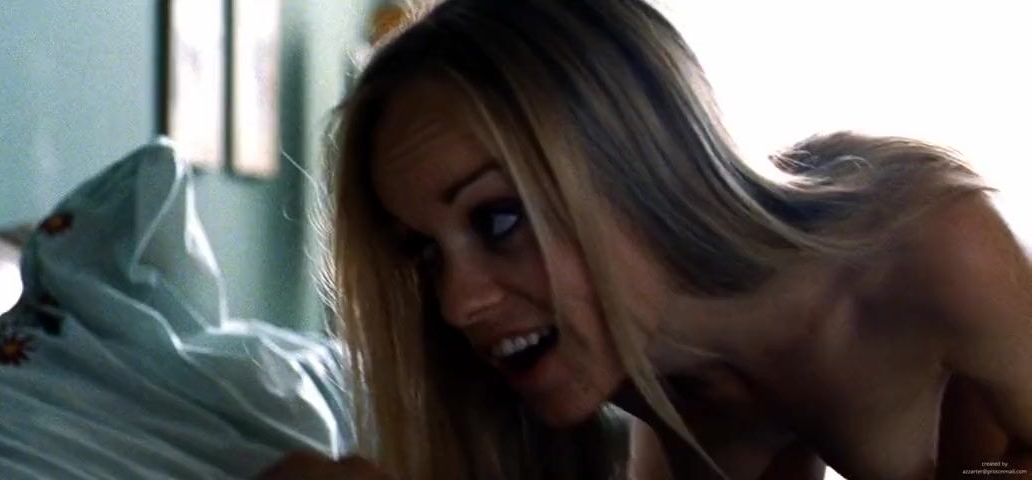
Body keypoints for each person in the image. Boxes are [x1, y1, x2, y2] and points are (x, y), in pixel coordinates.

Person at [274, 0, 1032, 478]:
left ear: (638, 162)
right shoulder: (633, 371)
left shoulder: (927, 241)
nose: (456, 304)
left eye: (499, 219)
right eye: (424, 252)